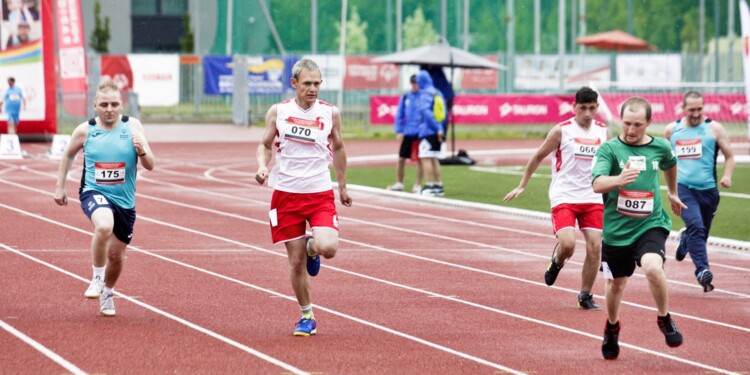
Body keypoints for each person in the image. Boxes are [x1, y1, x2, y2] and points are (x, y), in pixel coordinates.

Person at [255, 58, 352, 337]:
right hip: (286, 194)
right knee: (295, 261)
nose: (313, 89)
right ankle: (307, 315)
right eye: (307, 83)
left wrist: (343, 186)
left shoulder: (330, 113)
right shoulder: (279, 112)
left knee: (329, 247)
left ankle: (313, 247)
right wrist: (263, 166)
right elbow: (264, 145)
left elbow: (340, 147)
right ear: (294, 83)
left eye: (317, 84)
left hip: (319, 192)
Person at [592, 97, 685, 360]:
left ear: (649, 123)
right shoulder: (609, 150)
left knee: (654, 267)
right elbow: (597, 184)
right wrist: (618, 179)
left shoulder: (660, 147)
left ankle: (664, 318)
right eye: (627, 123)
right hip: (617, 231)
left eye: (638, 125)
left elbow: (670, 163)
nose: (631, 130)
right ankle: (612, 327)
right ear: (620, 120)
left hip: (650, 223)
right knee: (616, 285)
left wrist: (673, 193)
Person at [53, 80, 155, 317]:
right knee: (103, 226)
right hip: (94, 192)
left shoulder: (133, 127)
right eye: (104, 104)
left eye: (114, 104)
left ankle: (108, 291)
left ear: (121, 105)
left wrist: (142, 150)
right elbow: (67, 156)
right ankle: (97, 278)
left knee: (116, 257)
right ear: (95, 105)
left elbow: (150, 165)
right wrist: (60, 186)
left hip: (125, 202)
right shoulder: (85, 130)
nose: (109, 109)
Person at [503, 86, 608, 310]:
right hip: (564, 195)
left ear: (597, 108)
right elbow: (538, 156)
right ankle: (557, 261)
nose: (587, 114)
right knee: (568, 244)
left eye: (592, 108)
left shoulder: (602, 131)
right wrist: (523, 184)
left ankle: (585, 295)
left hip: (591, 196)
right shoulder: (561, 131)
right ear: (574, 107)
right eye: (583, 109)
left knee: (595, 246)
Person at [665, 91, 735, 292]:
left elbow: (729, 156)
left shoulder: (714, 128)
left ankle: (686, 238)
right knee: (696, 226)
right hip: (683, 189)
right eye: (691, 109)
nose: (695, 113)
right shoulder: (673, 130)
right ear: (684, 108)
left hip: (709, 191)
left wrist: (727, 175)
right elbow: (666, 158)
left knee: (700, 233)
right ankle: (702, 271)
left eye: (699, 109)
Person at [387, 74, 423, 193]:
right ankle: (399, 183)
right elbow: (399, 115)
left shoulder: (424, 96)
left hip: (420, 133)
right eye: (412, 83)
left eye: (416, 83)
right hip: (408, 132)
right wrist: (399, 130)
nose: (414, 85)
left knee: (420, 159)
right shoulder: (406, 97)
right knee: (401, 158)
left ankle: (418, 184)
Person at [415, 70, 446, 196]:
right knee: (434, 158)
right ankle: (439, 185)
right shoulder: (437, 92)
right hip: (437, 129)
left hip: (427, 131)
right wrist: (440, 128)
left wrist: (434, 127)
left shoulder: (424, 94)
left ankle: (428, 185)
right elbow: (443, 113)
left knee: (425, 157)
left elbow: (426, 112)